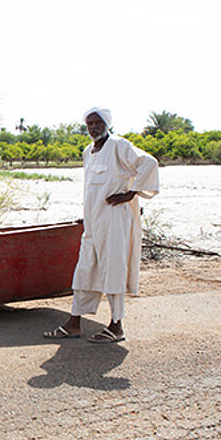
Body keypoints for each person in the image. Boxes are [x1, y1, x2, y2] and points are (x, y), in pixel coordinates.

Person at [45, 106, 159, 344]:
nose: (93, 127)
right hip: (93, 223)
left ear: (106, 123)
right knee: (85, 269)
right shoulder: (89, 151)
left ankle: (116, 326)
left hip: (114, 220)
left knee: (113, 270)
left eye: (97, 123)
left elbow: (148, 163)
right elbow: (92, 189)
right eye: (89, 124)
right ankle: (74, 323)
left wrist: (130, 194)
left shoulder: (119, 145)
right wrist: (87, 215)